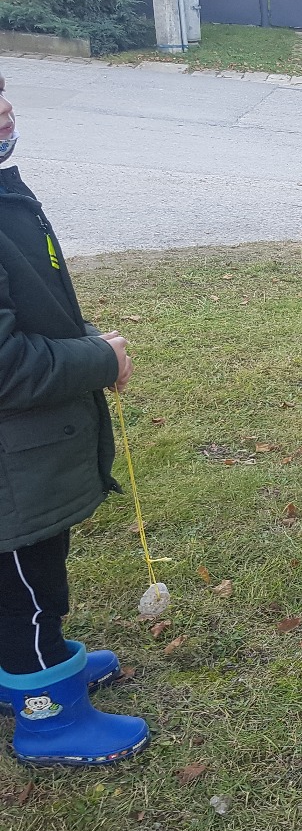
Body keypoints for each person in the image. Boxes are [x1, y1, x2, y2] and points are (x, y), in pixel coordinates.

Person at [0, 70, 150, 764]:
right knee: (28, 588)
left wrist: (85, 342)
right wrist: (96, 360)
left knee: (26, 583)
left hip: (23, 455)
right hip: (11, 476)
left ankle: (34, 664)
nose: (4, 108)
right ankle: (48, 717)